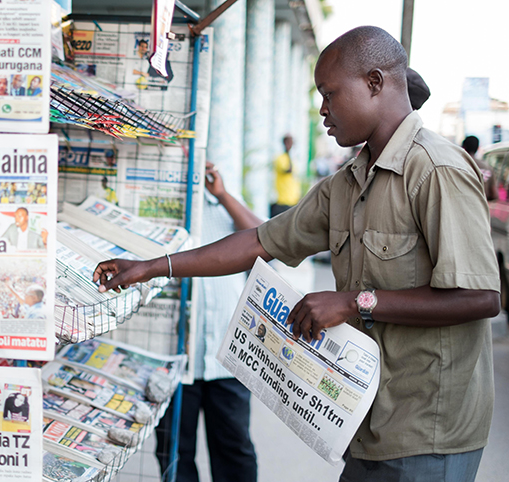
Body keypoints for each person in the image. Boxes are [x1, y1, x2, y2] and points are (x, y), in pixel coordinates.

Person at [94, 26, 499, 482]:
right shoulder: (344, 185)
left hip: (429, 431)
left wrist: (353, 302)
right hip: (366, 423)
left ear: (374, 82)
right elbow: (258, 241)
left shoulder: (436, 170)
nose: (322, 110)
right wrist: (153, 267)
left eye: (329, 93)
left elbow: (481, 298)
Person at [156, 162, 261, 482]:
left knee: (234, 447)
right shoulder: (165, 210)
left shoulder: (224, 204)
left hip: (225, 359)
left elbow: (268, 242)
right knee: (175, 450)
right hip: (175, 359)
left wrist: (223, 194)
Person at [271, 134, 301, 217]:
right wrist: (288, 153)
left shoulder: (292, 159)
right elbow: (288, 170)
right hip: (282, 200)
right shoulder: (280, 158)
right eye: (289, 142)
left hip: (293, 200)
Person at [462, 135, 498, 201]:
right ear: (478, 148)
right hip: (482, 208)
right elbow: (494, 194)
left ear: (463, 147)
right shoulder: (487, 167)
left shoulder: (457, 166)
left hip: (463, 206)